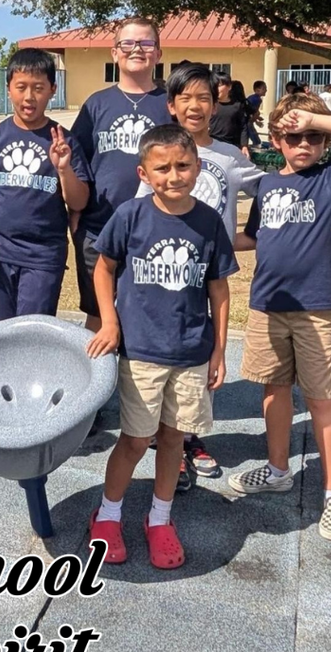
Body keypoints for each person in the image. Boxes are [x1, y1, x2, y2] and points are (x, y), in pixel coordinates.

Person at [228, 93, 331, 542]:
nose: (304, 143)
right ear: (276, 138)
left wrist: (320, 117)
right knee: (274, 391)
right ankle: (278, 469)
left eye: (313, 136)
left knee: (320, 399)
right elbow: (253, 237)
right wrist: (207, 236)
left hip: (315, 309)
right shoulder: (269, 185)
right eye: (293, 136)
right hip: (267, 306)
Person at [87, 124, 236, 567]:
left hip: (191, 351)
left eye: (183, 165)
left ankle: (160, 518)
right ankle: (108, 515)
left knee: (174, 439)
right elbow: (103, 268)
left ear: (197, 167)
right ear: (145, 173)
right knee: (135, 440)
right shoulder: (131, 215)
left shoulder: (208, 221)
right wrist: (110, 322)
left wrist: (220, 350)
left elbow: (219, 290)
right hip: (142, 352)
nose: (174, 175)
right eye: (163, 168)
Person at [136, 62, 264, 481]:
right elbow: (140, 213)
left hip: (207, 272)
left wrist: (250, 235)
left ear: (217, 103)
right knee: (165, 355)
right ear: (171, 105)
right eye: (186, 98)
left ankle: (188, 438)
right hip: (166, 272)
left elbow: (269, 190)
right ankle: (161, 437)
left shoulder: (229, 157)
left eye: (204, 98)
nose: (195, 106)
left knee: (202, 351)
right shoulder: (157, 152)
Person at [0, 48, 90, 320]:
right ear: (9, 88)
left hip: (43, 257)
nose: (29, 97)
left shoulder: (64, 141)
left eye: (38, 88)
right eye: (21, 87)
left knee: (31, 333)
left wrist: (64, 168)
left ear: (52, 89)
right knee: (4, 331)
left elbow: (79, 202)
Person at [70, 17, 170, 334]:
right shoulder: (96, 104)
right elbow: (77, 162)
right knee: (99, 317)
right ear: (115, 53)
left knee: (147, 316)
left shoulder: (170, 105)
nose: (136, 49)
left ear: (159, 53)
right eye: (128, 43)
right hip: (100, 227)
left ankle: (139, 384)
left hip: (156, 228)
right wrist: (75, 213)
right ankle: (98, 384)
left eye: (145, 43)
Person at [209, 72, 250, 152]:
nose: (216, 89)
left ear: (229, 86)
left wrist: (244, 146)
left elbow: (243, 126)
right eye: (214, 85)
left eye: (220, 85)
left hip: (230, 145)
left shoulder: (237, 106)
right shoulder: (210, 104)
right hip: (211, 144)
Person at [246, 80, 267, 145]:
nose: (266, 90)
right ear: (257, 90)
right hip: (248, 121)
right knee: (256, 141)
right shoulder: (257, 99)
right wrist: (256, 120)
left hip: (247, 120)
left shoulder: (251, 97)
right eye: (263, 89)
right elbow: (252, 111)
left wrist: (257, 118)